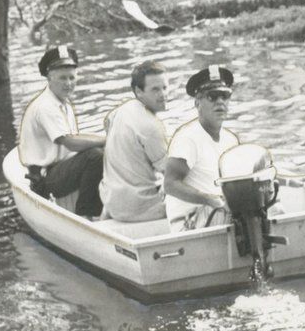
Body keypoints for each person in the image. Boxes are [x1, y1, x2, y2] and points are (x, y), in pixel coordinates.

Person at [18, 44, 105, 218]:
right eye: (62, 78)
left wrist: (108, 140)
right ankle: (85, 214)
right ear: (49, 78)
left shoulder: (62, 102)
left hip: (58, 170)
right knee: (95, 156)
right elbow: (70, 143)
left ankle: (104, 207)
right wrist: (108, 140)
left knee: (102, 152)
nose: (68, 83)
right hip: (43, 180)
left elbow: (73, 138)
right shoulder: (46, 106)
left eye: (72, 77)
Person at [164, 65, 240, 231]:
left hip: (218, 213)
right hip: (188, 222)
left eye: (225, 95)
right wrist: (210, 199)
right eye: (212, 96)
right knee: (237, 211)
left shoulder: (230, 139)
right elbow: (170, 184)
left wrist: (289, 181)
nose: (220, 102)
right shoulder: (188, 138)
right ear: (197, 103)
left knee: (268, 201)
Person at [99, 61, 169, 222]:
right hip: (140, 209)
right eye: (155, 89)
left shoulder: (121, 110)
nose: (163, 94)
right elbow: (172, 174)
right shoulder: (151, 126)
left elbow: (107, 124)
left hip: (111, 203)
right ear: (138, 91)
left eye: (165, 87)